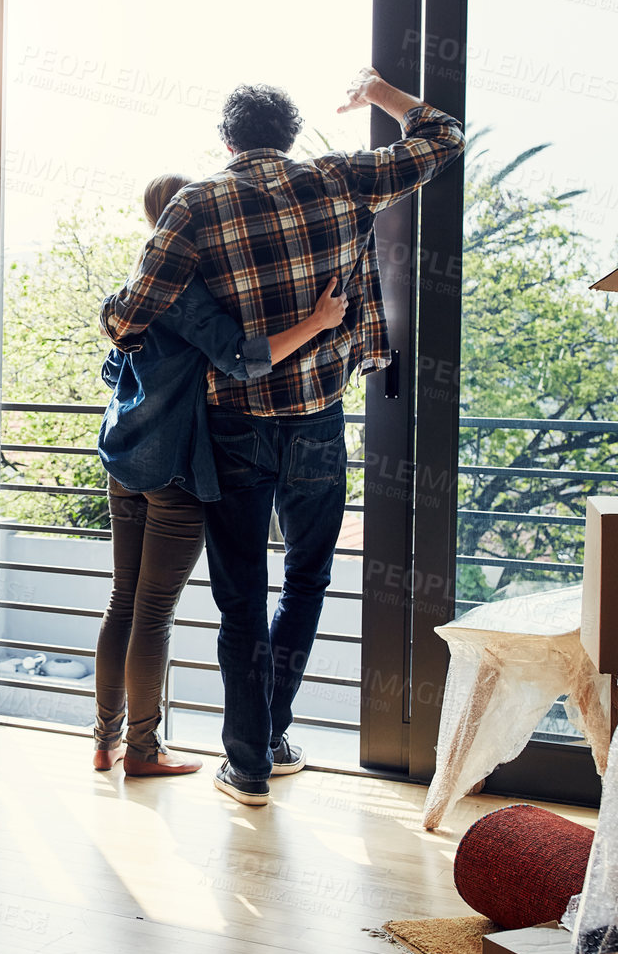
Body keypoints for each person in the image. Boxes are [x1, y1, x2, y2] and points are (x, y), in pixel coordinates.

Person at [99, 67, 465, 806]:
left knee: (241, 597)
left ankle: (250, 767)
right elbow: (444, 137)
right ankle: (270, 736)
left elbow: (127, 317)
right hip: (320, 420)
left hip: (235, 425)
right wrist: (381, 95)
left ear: (227, 140)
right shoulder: (340, 179)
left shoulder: (197, 205)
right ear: (289, 136)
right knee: (307, 580)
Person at [93, 173, 347, 777]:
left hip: (124, 455)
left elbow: (113, 368)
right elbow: (240, 357)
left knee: (122, 600)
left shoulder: (138, 285)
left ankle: (105, 740)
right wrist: (318, 321)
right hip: (175, 466)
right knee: (153, 610)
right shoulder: (189, 290)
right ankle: (144, 751)